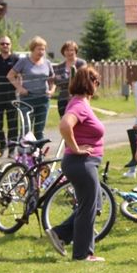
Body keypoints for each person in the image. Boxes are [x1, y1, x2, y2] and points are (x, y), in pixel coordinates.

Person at [46, 66, 105, 262]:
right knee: (88, 207)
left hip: (84, 163)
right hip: (81, 162)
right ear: (90, 83)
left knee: (95, 203)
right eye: (96, 82)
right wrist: (76, 148)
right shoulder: (79, 104)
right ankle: (83, 254)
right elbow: (65, 125)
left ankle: (60, 234)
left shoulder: (80, 102)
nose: (98, 85)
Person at [7, 36, 55, 140]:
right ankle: (25, 149)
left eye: (43, 49)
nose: (41, 52)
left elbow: (52, 79)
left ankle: (38, 149)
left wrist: (51, 90)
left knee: (39, 130)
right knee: (26, 128)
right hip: (27, 99)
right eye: (39, 49)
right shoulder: (24, 61)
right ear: (33, 49)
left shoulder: (47, 63)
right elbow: (10, 75)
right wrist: (20, 88)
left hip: (43, 99)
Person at [0, 35, 19, 157]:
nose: (5, 45)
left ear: (10, 45)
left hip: (12, 95)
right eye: (2, 43)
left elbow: (21, 76)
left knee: (13, 124)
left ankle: (12, 149)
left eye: (7, 43)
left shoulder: (16, 59)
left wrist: (20, 89)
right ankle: (2, 144)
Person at [53, 40, 86, 117]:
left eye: (72, 50)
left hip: (78, 98)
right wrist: (72, 78)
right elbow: (58, 83)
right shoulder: (60, 66)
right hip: (63, 99)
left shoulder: (81, 63)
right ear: (63, 52)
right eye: (67, 50)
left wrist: (64, 79)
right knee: (63, 120)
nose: (69, 52)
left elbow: (81, 80)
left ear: (75, 51)